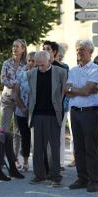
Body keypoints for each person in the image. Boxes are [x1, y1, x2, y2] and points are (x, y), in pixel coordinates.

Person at [64, 39, 98, 193]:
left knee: (91, 147)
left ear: (90, 52)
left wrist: (76, 90)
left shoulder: (96, 69)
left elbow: (87, 91)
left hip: (90, 112)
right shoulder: (72, 70)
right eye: (77, 50)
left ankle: (94, 180)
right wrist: (84, 89)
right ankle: (82, 177)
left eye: (82, 50)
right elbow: (66, 90)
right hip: (75, 112)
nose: (79, 53)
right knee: (78, 146)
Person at [27, 51, 67, 186]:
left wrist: (61, 108)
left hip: (53, 113)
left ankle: (55, 175)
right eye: (37, 65)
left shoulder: (61, 72)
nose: (40, 68)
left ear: (49, 61)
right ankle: (39, 175)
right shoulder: (31, 73)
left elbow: (64, 91)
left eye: (42, 65)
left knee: (54, 147)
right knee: (37, 147)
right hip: (36, 114)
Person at [0, 39, 27, 168]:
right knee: (4, 130)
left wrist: (18, 86)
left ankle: (14, 159)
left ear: (23, 49)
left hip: (20, 101)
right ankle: (2, 158)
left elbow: (27, 80)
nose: (14, 48)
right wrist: (15, 84)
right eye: (13, 46)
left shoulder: (26, 65)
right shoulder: (6, 63)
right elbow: (3, 79)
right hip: (7, 100)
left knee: (18, 132)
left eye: (17, 46)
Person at [43, 41, 70, 170]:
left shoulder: (63, 68)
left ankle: (58, 163)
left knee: (58, 136)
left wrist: (58, 104)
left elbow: (64, 88)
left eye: (48, 49)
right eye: (43, 49)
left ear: (54, 52)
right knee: (46, 137)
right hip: (45, 107)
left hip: (60, 106)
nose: (45, 51)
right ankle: (47, 163)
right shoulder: (42, 66)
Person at [14, 51, 35, 171]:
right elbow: (16, 94)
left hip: (36, 111)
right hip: (22, 111)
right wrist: (23, 108)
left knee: (37, 138)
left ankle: (39, 162)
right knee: (25, 137)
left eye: (34, 61)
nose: (31, 63)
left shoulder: (40, 75)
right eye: (29, 60)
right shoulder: (21, 74)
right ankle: (26, 162)